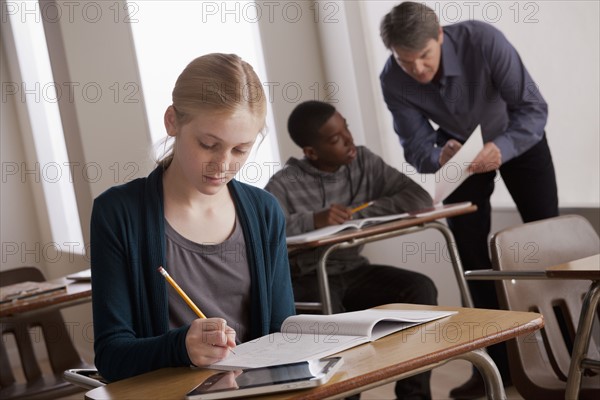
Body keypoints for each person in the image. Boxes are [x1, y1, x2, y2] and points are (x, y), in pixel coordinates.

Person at [379, 2, 559, 398]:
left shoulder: (484, 41)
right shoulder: (393, 78)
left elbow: (532, 108)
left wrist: (503, 146)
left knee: (549, 245)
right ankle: (498, 365)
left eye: (424, 57)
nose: (418, 70)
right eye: (406, 62)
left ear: (440, 35)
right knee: (471, 258)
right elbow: (415, 145)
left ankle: (568, 349)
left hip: (518, 137)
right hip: (456, 152)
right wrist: (436, 156)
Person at [90, 53, 295, 382]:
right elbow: (112, 357)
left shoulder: (264, 211)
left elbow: (281, 336)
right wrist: (180, 347)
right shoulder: (118, 213)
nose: (223, 164)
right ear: (172, 121)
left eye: (240, 150)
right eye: (209, 144)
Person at [265, 100, 438, 400]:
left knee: (420, 289)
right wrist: (313, 220)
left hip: (354, 270)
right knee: (337, 323)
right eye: (336, 139)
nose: (349, 140)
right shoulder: (284, 183)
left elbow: (419, 197)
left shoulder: (364, 163)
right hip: (308, 279)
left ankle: (414, 396)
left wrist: (359, 214)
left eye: (346, 128)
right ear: (311, 152)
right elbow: (266, 232)